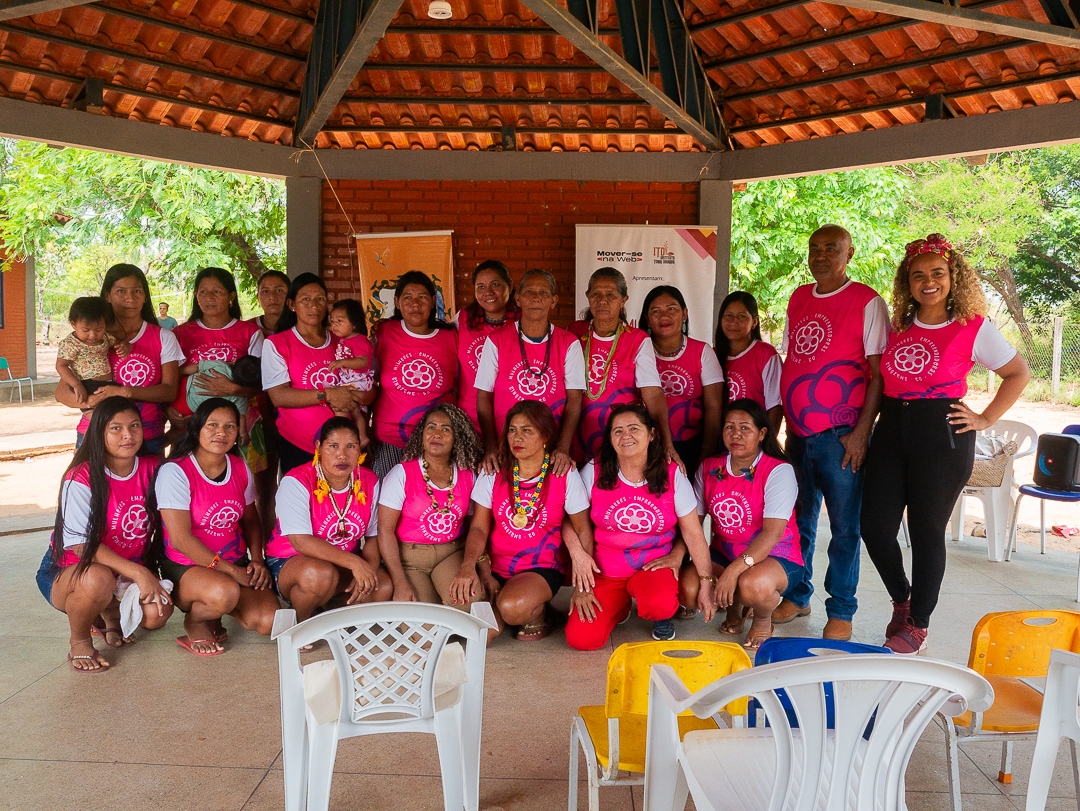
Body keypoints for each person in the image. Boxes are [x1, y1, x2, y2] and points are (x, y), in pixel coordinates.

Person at [861, 234, 1030, 654]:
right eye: (918, 275)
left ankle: (917, 624)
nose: (929, 282)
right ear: (908, 282)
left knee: (925, 531)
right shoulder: (897, 324)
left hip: (942, 432)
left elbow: (1018, 373)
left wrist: (986, 418)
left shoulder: (973, 326)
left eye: (937, 273)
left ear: (953, 277)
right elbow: (879, 380)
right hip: (893, 423)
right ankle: (903, 600)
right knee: (876, 527)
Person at [775, 225, 889, 641]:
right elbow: (796, 359)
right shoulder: (799, 297)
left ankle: (841, 609)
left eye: (831, 249)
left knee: (844, 527)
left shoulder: (866, 301)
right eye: (815, 248)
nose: (821, 255)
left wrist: (862, 432)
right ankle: (799, 594)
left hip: (842, 436)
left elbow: (877, 375)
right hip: (800, 435)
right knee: (799, 521)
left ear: (850, 253)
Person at [35, 396, 173, 672]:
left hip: (124, 569)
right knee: (98, 579)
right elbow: (80, 546)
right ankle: (81, 640)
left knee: (157, 614)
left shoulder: (154, 467)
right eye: (116, 428)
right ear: (99, 432)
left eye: (134, 426)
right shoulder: (81, 477)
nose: (128, 435)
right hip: (73, 571)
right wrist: (141, 573)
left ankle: (109, 612)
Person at [565, 404, 717, 650]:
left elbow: (693, 532)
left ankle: (661, 615)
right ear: (610, 439)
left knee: (659, 603)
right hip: (606, 569)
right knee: (581, 639)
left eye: (634, 428)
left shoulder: (673, 473)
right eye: (618, 431)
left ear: (652, 434)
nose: (626, 435)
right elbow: (570, 520)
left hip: (654, 566)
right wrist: (578, 556)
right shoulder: (593, 470)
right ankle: (619, 604)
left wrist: (706, 582)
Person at [451, 401, 594, 641]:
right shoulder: (494, 471)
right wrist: (473, 569)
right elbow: (478, 527)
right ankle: (526, 607)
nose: (517, 437)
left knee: (512, 607)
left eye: (527, 430)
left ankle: (537, 613)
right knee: (480, 636)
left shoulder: (562, 474)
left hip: (541, 567)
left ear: (546, 435)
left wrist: (583, 586)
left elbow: (582, 529)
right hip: (495, 566)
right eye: (512, 430)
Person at [154, 398, 279, 655]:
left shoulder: (239, 466)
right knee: (224, 591)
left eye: (230, 426)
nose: (221, 433)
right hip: (186, 564)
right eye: (212, 425)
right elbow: (180, 540)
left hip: (235, 562)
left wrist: (256, 560)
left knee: (268, 620)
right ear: (197, 428)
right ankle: (198, 619)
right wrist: (231, 572)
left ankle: (219, 610)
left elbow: (251, 520)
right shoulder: (175, 471)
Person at [680, 399, 803, 650]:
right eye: (729, 427)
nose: (736, 434)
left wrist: (732, 573)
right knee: (689, 589)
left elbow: (772, 534)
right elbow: (692, 524)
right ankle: (736, 605)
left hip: (776, 555)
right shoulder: (709, 468)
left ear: (762, 433)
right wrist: (682, 560)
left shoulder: (778, 471)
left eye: (745, 427)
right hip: (724, 553)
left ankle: (762, 619)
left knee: (753, 585)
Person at [265, 417, 391, 622]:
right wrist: (354, 563)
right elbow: (300, 541)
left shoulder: (369, 480)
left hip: (343, 562)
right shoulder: (297, 481)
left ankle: (328, 608)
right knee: (319, 575)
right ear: (319, 447)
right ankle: (301, 623)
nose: (342, 455)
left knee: (382, 588)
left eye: (351, 446)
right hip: (292, 562)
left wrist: (368, 569)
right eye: (333, 446)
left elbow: (373, 536)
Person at [55, 264, 182, 455]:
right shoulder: (92, 337)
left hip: (146, 435)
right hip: (95, 434)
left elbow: (169, 392)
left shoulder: (163, 337)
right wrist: (90, 402)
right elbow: (61, 392)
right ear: (107, 295)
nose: (130, 298)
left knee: (147, 485)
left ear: (145, 296)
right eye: (121, 291)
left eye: (137, 291)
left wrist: (124, 392)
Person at [475, 269, 584, 477]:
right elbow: (483, 397)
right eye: (529, 292)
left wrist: (562, 447)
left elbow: (574, 401)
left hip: (551, 450)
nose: (536, 298)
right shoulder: (497, 340)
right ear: (518, 298)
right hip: (505, 447)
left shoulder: (569, 343)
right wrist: (490, 446)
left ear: (554, 301)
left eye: (543, 293)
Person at [568, 268, 679, 466]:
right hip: (577, 434)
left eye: (611, 295)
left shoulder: (637, 339)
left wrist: (667, 444)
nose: (603, 300)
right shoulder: (572, 332)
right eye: (596, 294)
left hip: (624, 438)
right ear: (587, 297)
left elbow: (652, 395)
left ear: (623, 300)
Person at [378, 404, 481, 609]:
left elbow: (476, 527)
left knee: (469, 601)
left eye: (446, 429)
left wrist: (475, 568)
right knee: (424, 634)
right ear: (422, 435)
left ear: (457, 438)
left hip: (450, 553)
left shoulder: (468, 474)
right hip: (410, 558)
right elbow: (384, 530)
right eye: (430, 427)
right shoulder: (402, 473)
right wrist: (399, 581)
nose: (436, 434)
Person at [263, 274, 363, 476]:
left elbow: (366, 381)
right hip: (298, 443)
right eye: (305, 299)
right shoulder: (277, 344)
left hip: (343, 445)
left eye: (320, 299)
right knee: (302, 503)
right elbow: (278, 396)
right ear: (292, 304)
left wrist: (361, 395)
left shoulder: (343, 341)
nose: (314, 305)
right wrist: (327, 394)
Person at [370, 272, 458, 479]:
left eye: (423, 297)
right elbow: (367, 382)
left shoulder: (451, 337)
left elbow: (461, 385)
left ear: (433, 302)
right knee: (386, 504)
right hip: (390, 439)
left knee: (433, 505)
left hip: (437, 442)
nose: (415, 303)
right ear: (397, 303)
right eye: (408, 297)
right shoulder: (383, 332)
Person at [640, 285, 724, 477]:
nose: (664, 316)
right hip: (645, 448)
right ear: (646, 317)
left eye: (672, 309)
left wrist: (706, 453)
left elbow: (714, 407)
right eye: (656, 311)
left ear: (684, 313)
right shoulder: (637, 350)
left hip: (693, 446)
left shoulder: (702, 351)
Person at [248, 269, 291, 538]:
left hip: (293, 418)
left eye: (279, 290)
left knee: (293, 483)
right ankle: (267, 548)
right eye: (265, 291)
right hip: (258, 420)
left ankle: (292, 546)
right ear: (258, 296)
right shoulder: (248, 330)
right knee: (264, 490)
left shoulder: (301, 329)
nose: (272, 296)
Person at [454, 260, 518, 431]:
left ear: (510, 286)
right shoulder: (463, 319)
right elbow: (433, 335)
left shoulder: (526, 321)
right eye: (480, 287)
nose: (488, 292)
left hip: (514, 418)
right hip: (469, 418)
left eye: (495, 284)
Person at [715, 291, 783, 434]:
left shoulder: (766, 355)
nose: (734, 321)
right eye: (728, 315)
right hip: (720, 439)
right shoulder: (712, 355)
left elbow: (775, 407)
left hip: (753, 443)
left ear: (754, 322)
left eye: (742, 316)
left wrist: (766, 448)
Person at [169, 355, 262, 445]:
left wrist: (176, 372)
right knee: (180, 431)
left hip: (181, 389)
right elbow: (242, 417)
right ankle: (162, 445)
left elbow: (197, 367)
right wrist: (243, 434)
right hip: (187, 409)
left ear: (235, 362)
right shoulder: (240, 396)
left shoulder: (219, 365)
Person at [55, 297, 129, 409]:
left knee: (121, 405)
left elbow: (118, 343)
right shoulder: (71, 343)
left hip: (108, 384)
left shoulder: (105, 337)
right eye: (86, 330)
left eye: (99, 329)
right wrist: (76, 385)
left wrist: (125, 346)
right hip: (86, 385)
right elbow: (61, 365)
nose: (92, 335)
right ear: (73, 324)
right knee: (100, 414)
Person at [327, 298, 374, 449]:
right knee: (354, 412)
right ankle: (361, 436)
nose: (334, 325)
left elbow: (363, 362)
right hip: (349, 379)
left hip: (358, 380)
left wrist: (342, 363)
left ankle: (343, 435)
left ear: (354, 323)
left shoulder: (359, 340)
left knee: (341, 407)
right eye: (332, 321)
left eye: (339, 321)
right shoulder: (343, 340)